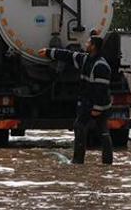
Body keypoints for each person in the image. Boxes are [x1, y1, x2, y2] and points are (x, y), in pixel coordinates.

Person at [38, 35, 113, 164]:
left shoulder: (101, 66)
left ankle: (102, 161)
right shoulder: (85, 59)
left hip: (99, 105)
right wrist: (50, 52)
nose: (86, 43)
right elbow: (69, 55)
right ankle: (80, 160)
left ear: (93, 46)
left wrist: (97, 109)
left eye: (88, 42)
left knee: (100, 131)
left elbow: (101, 90)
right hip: (88, 101)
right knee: (82, 127)